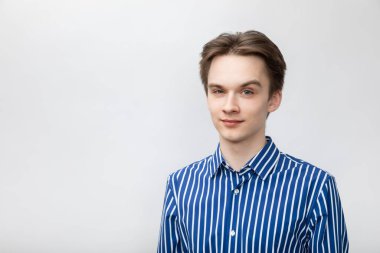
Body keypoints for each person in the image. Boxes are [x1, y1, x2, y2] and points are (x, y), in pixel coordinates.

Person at [157, 30, 349, 253]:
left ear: (273, 99)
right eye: (218, 91)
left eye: (247, 91)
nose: (229, 106)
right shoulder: (181, 185)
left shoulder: (315, 188)